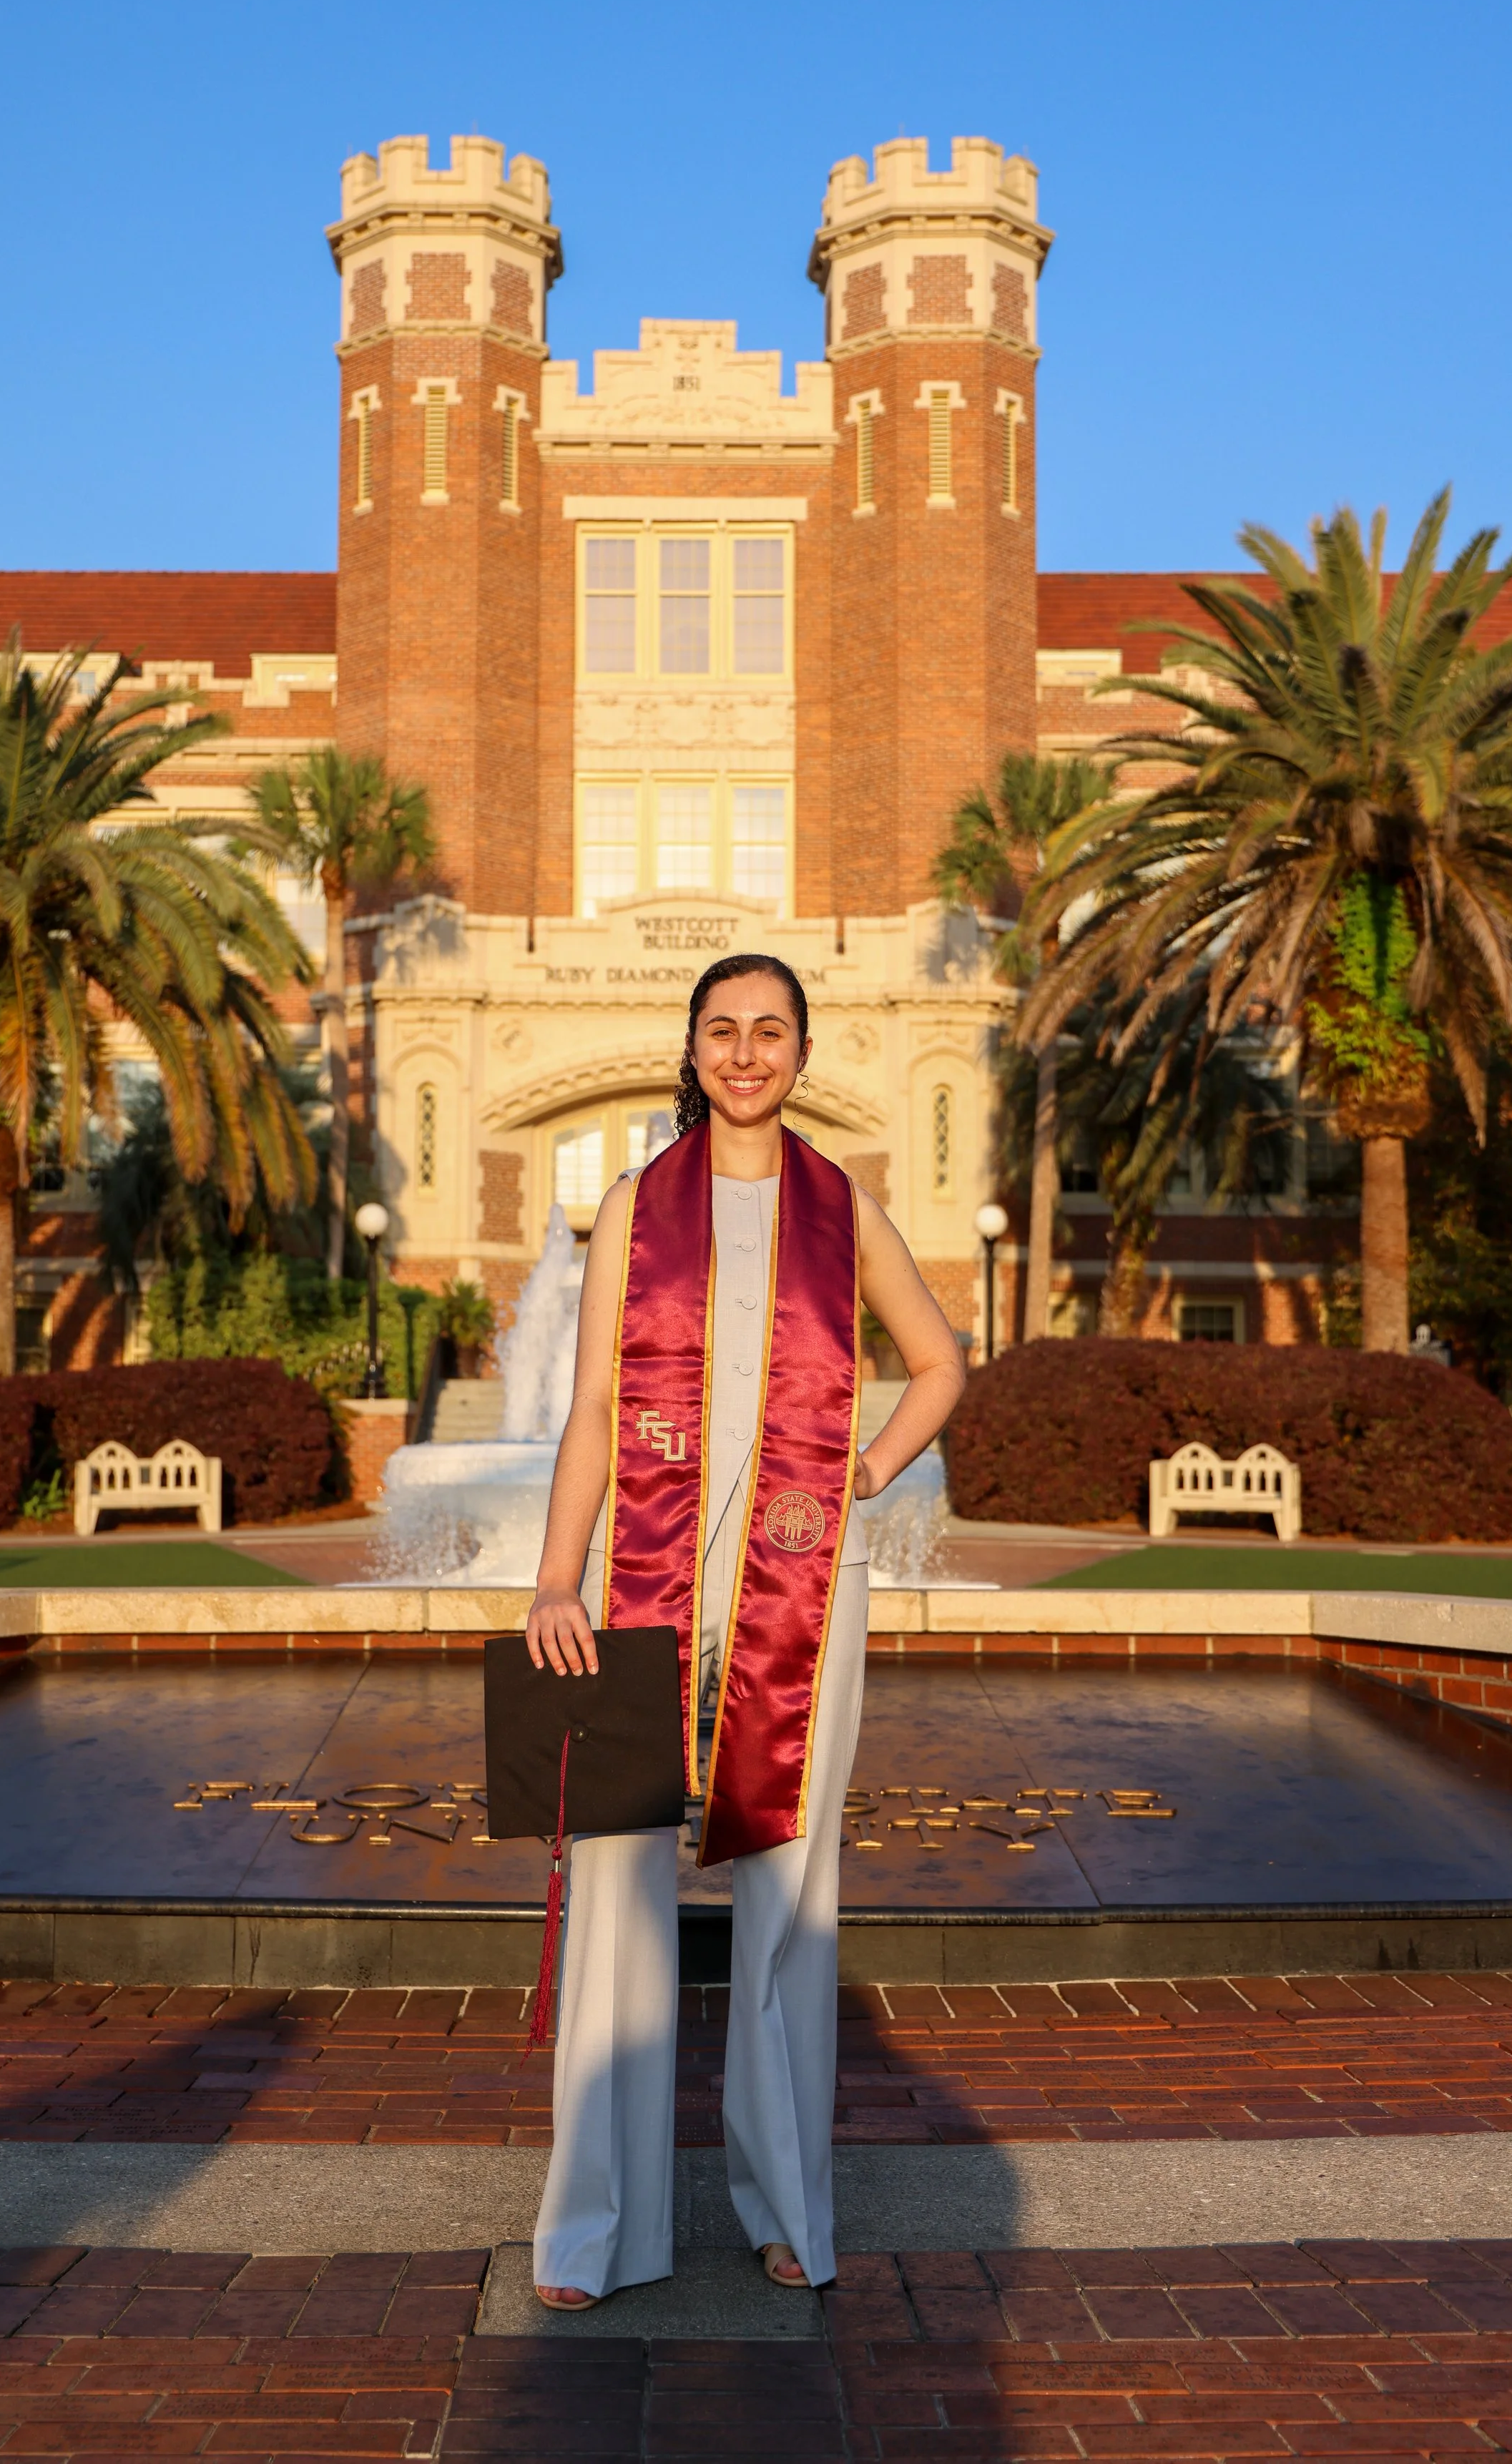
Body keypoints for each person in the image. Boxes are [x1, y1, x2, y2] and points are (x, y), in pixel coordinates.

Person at [524, 951, 965, 2307]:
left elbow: (941, 1364)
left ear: (802, 1053)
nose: (746, 1052)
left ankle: (785, 2211)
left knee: (787, 1899)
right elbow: (594, 1411)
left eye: (771, 1030)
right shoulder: (634, 1204)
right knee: (616, 1893)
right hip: (640, 1591)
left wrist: (868, 1469)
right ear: (694, 1049)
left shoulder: (845, 1208)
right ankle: (595, 2234)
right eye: (723, 1029)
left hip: (805, 1592)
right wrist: (554, 1582)